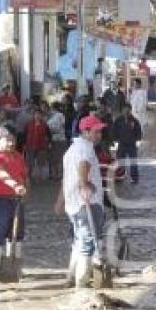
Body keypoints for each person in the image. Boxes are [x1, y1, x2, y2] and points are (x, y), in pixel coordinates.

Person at [54, 115, 108, 289]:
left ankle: (71, 276)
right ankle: (81, 283)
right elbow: (83, 166)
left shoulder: (72, 149)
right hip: (87, 202)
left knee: (79, 241)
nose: (99, 134)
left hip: (74, 203)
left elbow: (66, 178)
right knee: (87, 241)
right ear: (85, 132)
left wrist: (60, 201)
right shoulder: (84, 148)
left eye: (100, 131)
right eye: (96, 131)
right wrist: (85, 183)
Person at [0, 126, 28, 285]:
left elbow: (25, 176)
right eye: (7, 139)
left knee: (17, 234)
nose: (11, 143)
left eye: (13, 139)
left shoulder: (18, 156)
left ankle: (14, 268)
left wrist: (25, 192)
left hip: (17, 200)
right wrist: (15, 186)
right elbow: (1, 173)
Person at [112, 106, 143, 184]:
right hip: (121, 144)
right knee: (120, 161)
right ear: (122, 111)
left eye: (128, 111)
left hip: (131, 145)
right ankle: (120, 177)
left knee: (133, 162)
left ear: (130, 111)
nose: (126, 112)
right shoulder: (118, 120)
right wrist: (116, 139)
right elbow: (114, 130)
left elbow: (139, 133)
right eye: (124, 110)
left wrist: (136, 140)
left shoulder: (135, 121)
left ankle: (134, 178)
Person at [24, 109, 50, 184]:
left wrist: (48, 144)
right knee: (29, 163)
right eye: (36, 114)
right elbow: (24, 134)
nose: (37, 116)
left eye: (39, 114)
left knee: (40, 163)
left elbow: (48, 135)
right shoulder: (28, 124)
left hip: (41, 146)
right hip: (30, 145)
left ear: (41, 116)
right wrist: (24, 144)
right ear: (33, 115)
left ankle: (38, 178)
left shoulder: (45, 125)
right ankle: (28, 177)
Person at [47, 102, 66, 180]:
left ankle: (59, 174)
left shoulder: (60, 115)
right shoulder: (50, 115)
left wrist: (52, 130)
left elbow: (61, 126)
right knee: (54, 157)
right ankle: (54, 174)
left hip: (59, 138)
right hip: (52, 138)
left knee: (58, 157)